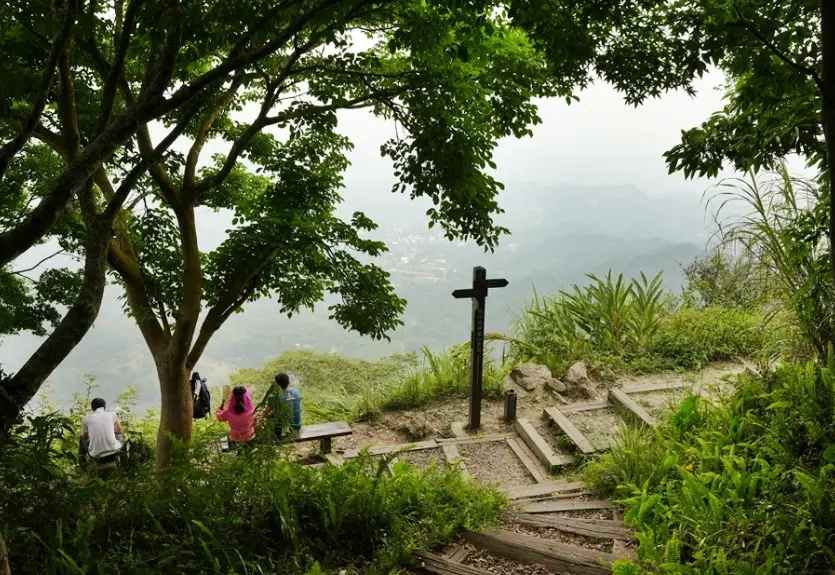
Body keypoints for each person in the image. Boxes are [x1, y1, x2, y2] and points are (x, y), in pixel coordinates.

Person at [216, 386, 257, 450]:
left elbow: (220, 418)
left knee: (223, 440)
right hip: (250, 438)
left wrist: (219, 409)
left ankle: (231, 451)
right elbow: (255, 423)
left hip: (235, 439)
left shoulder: (228, 411)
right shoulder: (252, 410)